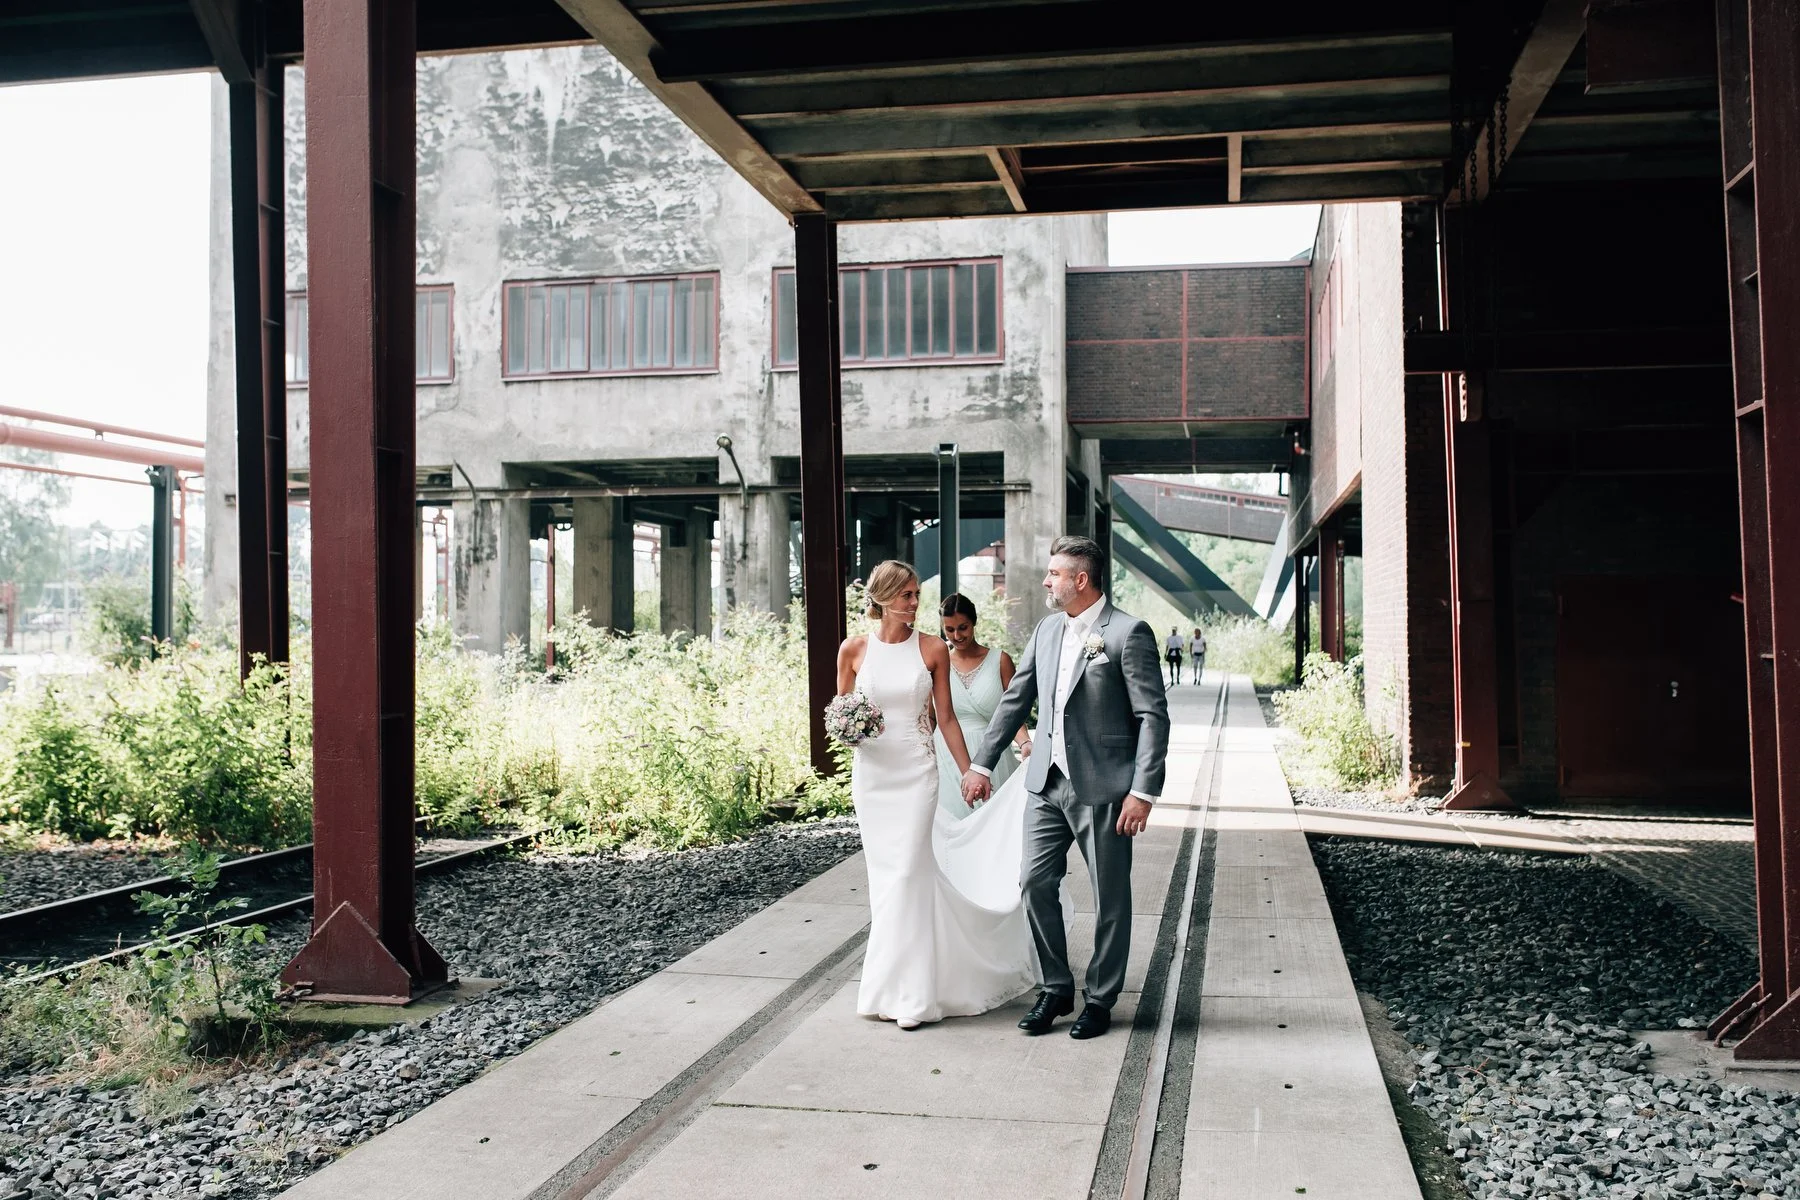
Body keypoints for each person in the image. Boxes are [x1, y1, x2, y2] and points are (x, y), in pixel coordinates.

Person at [962, 535, 1170, 1040]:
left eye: (1053, 574)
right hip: (1045, 784)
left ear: (1081, 579)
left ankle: (1100, 999)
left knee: (1110, 899)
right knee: (1034, 883)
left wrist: (1142, 791)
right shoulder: (1048, 629)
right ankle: (1056, 988)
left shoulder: (1127, 633)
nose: (1045, 581)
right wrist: (982, 765)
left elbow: (1152, 716)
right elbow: (1016, 699)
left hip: (1105, 787)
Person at [835, 561, 1038, 1030]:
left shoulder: (931, 650)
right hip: (873, 778)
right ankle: (885, 987)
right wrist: (850, 732)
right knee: (886, 880)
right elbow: (840, 712)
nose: (914, 603)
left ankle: (915, 994)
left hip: (916, 774)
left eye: (915, 594)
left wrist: (971, 771)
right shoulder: (853, 650)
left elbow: (945, 718)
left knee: (908, 872)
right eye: (906, 595)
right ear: (883, 597)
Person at [935, 594, 1031, 821]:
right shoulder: (939, 663)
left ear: (974, 622)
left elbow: (1012, 713)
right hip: (947, 756)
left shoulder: (1001, 660)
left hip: (990, 755)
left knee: (994, 826)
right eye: (949, 630)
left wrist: (1025, 742)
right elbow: (931, 717)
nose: (956, 636)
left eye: (963, 627)